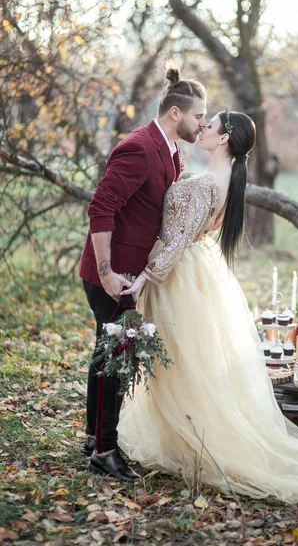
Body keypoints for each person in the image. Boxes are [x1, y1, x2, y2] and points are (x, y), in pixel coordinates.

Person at [118, 109, 298, 503]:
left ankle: (196, 441)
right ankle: (186, 435)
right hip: (198, 270)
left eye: (210, 124)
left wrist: (141, 281)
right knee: (191, 361)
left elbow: (178, 240)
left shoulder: (206, 185)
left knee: (184, 362)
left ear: (223, 139)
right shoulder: (227, 179)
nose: (202, 126)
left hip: (178, 274)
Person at [78, 66, 207, 481]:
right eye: (198, 115)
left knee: (109, 355)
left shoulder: (171, 152)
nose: (202, 122)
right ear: (175, 113)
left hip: (133, 275)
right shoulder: (138, 147)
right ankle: (105, 451)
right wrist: (107, 272)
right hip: (112, 275)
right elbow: (101, 208)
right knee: (116, 360)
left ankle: (94, 437)